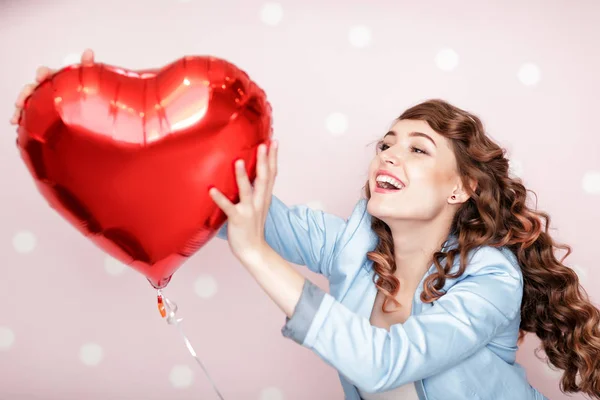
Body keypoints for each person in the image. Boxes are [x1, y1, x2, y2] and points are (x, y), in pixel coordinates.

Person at [12, 51, 600, 400]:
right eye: (386, 144)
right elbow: (226, 205)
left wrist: (256, 254)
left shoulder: (491, 276)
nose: (388, 157)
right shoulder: (353, 241)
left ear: (460, 188)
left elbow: (382, 363)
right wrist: (81, 132)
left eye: (418, 150)